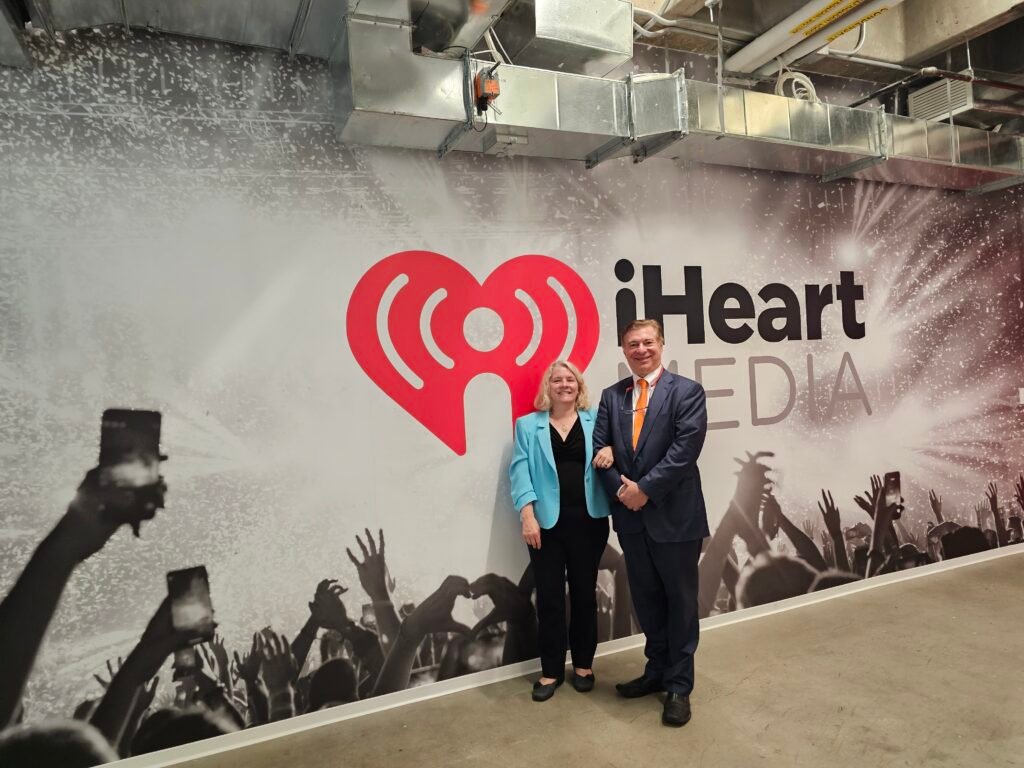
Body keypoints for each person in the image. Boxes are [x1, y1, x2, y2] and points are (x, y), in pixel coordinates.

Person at [592, 319, 708, 727]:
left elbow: (684, 450)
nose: (641, 350)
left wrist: (644, 490)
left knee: (680, 604)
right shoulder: (612, 396)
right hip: (632, 520)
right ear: (623, 350)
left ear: (661, 344)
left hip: (676, 518)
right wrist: (625, 493)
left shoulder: (687, 392)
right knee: (646, 600)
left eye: (647, 342)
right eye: (632, 344)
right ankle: (656, 669)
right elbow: (599, 448)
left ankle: (679, 686)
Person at [509, 360, 611, 701]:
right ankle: (550, 671)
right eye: (557, 380)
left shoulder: (596, 420)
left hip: (590, 522)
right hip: (545, 527)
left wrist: (611, 450)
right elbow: (519, 471)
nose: (564, 384)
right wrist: (527, 515)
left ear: (578, 386)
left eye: (570, 379)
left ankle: (583, 665)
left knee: (584, 596)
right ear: (547, 387)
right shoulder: (527, 426)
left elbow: (619, 448)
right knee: (550, 598)